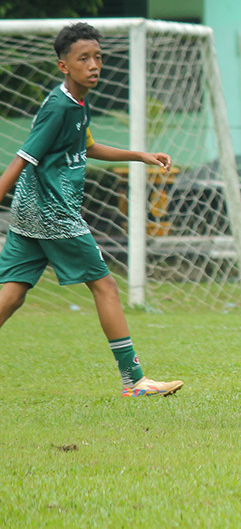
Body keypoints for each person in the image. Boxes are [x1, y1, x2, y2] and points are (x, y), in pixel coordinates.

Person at [0, 22, 182, 397]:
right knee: (106, 286)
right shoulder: (60, 107)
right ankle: (134, 381)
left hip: (28, 213)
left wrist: (139, 155)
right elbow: (22, 158)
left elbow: (87, 146)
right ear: (63, 65)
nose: (93, 64)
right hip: (53, 214)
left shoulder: (77, 102)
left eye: (97, 57)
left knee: (13, 294)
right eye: (83, 58)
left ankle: (134, 382)